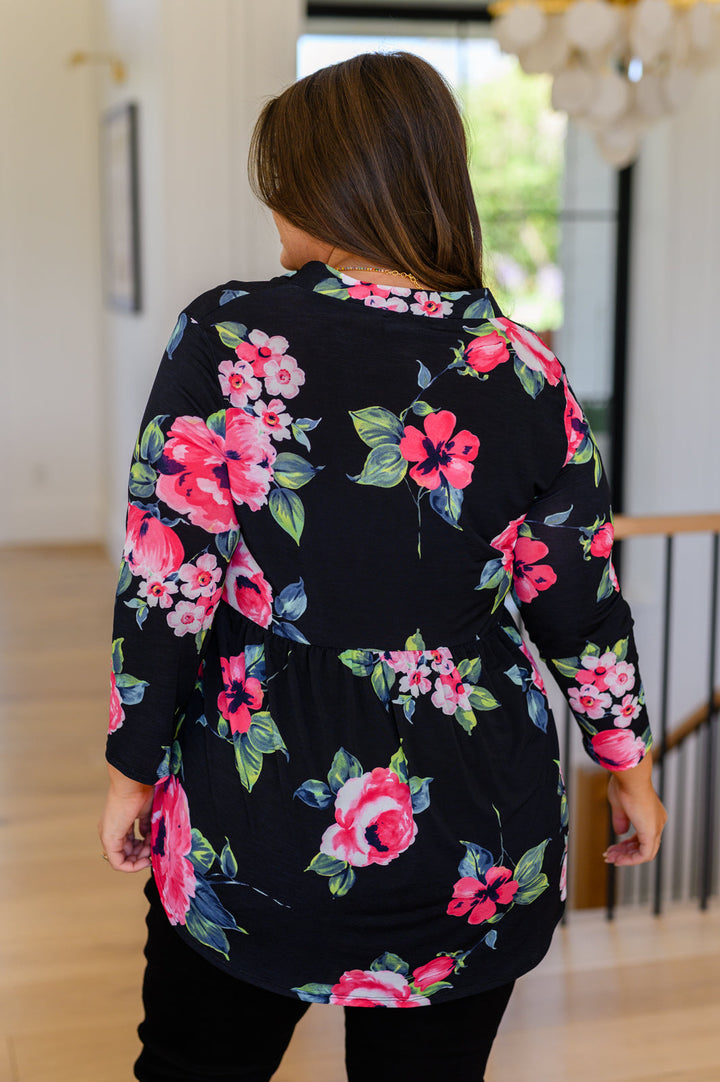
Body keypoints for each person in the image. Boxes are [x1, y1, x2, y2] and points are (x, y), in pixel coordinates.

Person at [99, 51, 667, 1082]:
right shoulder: (528, 372)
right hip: (471, 834)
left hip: (256, 810)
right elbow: (580, 607)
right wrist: (627, 765)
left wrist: (132, 768)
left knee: (190, 1066)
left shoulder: (227, 334)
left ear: (328, 186)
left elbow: (167, 584)